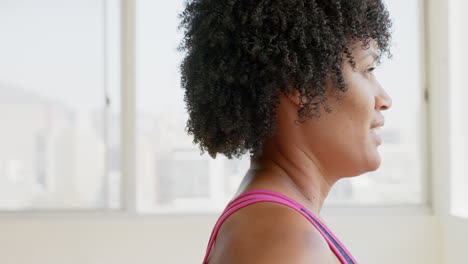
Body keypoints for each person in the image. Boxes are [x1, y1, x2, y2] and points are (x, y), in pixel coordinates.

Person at [178, 0, 393, 263]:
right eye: (367, 69)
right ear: (302, 85)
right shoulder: (287, 245)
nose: (384, 99)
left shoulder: (274, 226)